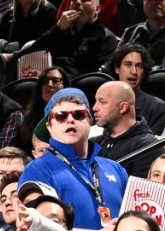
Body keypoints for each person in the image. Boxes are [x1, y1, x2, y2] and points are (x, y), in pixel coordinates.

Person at [19, 88, 128, 230]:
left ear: (90, 121)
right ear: (49, 127)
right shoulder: (37, 170)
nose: (70, 120)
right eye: (61, 116)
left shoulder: (115, 168)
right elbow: (38, 227)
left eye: (78, 114)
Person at [92, 81, 163, 178]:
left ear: (123, 107)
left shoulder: (148, 147)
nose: (94, 108)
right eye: (96, 101)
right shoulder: (93, 143)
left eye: (102, 102)